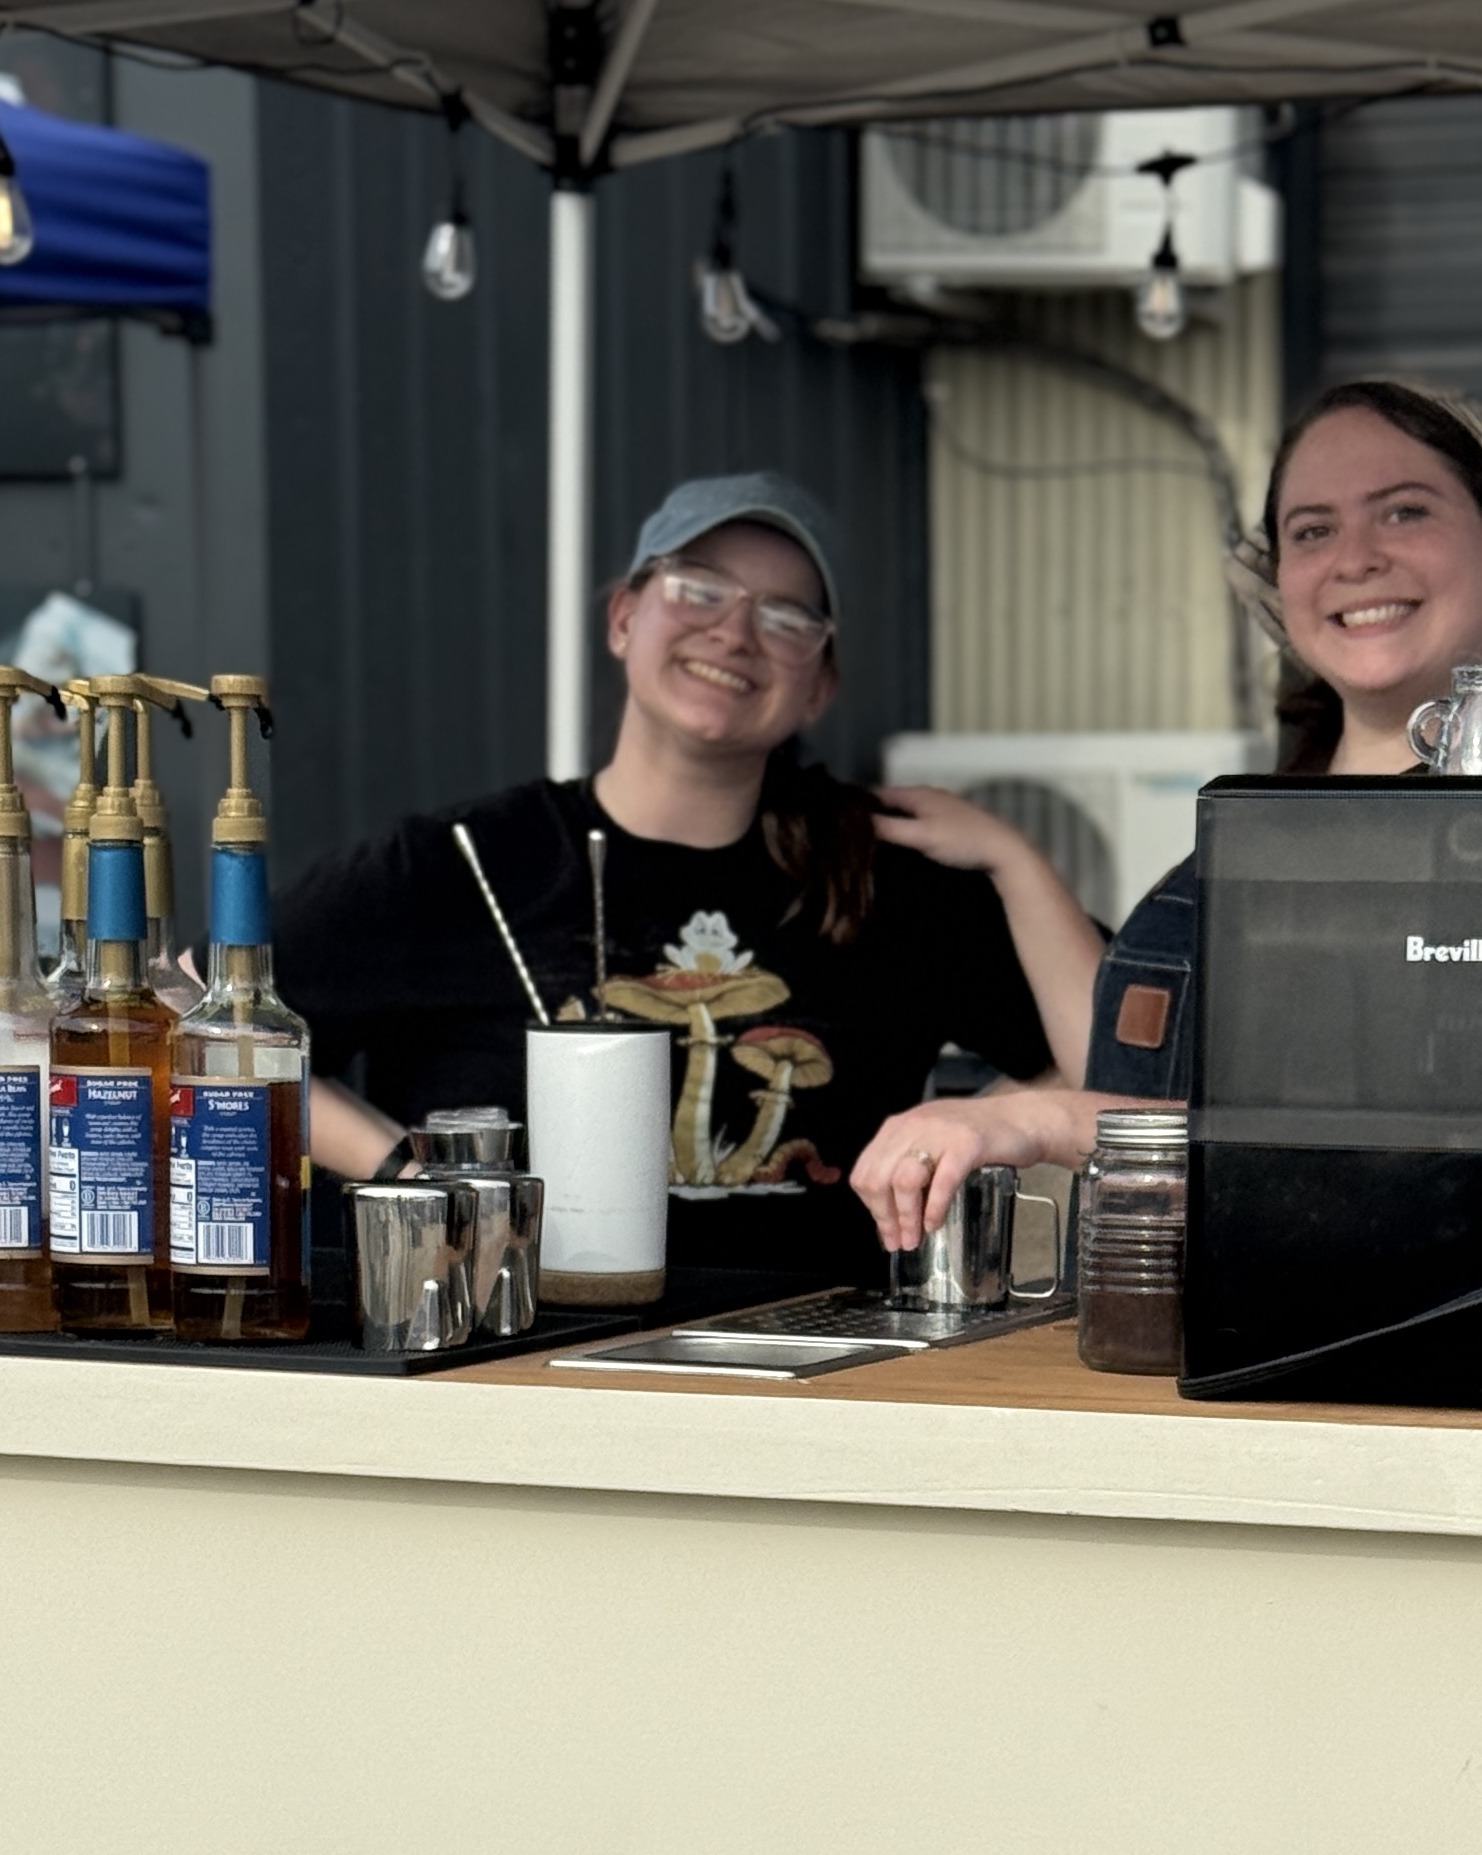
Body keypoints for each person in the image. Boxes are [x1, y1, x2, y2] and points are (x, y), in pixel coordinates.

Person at [284, 472, 1104, 1283]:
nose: (735, 633)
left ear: (819, 684)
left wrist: (1016, 862)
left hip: (822, 1365)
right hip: (513, 1361)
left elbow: (1125, 1087)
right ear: (624, 618)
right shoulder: (461, 861)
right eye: (699, 589)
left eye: (786, 616)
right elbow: (202, 1013)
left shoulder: (881, 872)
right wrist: (402, 1173)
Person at [845, 378, 1482, 1255]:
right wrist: (1015, 863)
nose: (1355, 558)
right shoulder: (1246, 844)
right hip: (1207, 1365)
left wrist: (1038, 1120)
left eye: (1404, 512)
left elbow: (1381, 1156)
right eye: (1312, 531)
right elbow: (1130, 1078)